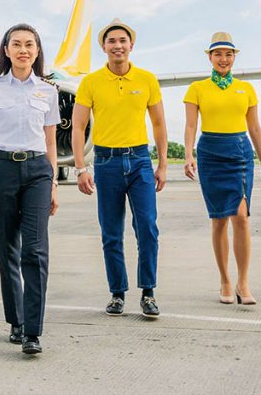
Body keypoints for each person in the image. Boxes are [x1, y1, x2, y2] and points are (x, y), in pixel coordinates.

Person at [0, 23, 59, 355]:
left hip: (37, 171)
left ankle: (33, 331)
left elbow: (51, 142)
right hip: (2, 170)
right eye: (16, 44)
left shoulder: (48, 91)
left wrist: (52, 185)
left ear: (37, 52)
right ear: (6, 50)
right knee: (7, 251)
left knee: (34, 251)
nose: (23, 50)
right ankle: (16, 321)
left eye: (29, 45)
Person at [71, 18, 167, 317]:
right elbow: (78, 126)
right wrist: (80, 168)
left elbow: (160, 123)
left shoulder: (147, 79)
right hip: (106, 162)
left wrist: (163, 163)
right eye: (111, 41)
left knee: (147, 228)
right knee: (111, 233)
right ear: (104, 47)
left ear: (131, 46)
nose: (117, 46)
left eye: (122, 41)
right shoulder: (90, 82)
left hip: (139, 160)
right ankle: (117, 293)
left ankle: (148, 292)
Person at [183, 33, 261, 305]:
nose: (224, 59)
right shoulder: (197, 88)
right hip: (210, 151)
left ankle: (243, 283)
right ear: (209, 57)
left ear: (234, 57)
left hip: (239, 152)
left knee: (241, 217)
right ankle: (225, 280)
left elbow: (255, 128)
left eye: (229, 54)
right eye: (218, 54)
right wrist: (188, 155)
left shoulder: (246, 89)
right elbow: (190, 126)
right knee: (219, 218)